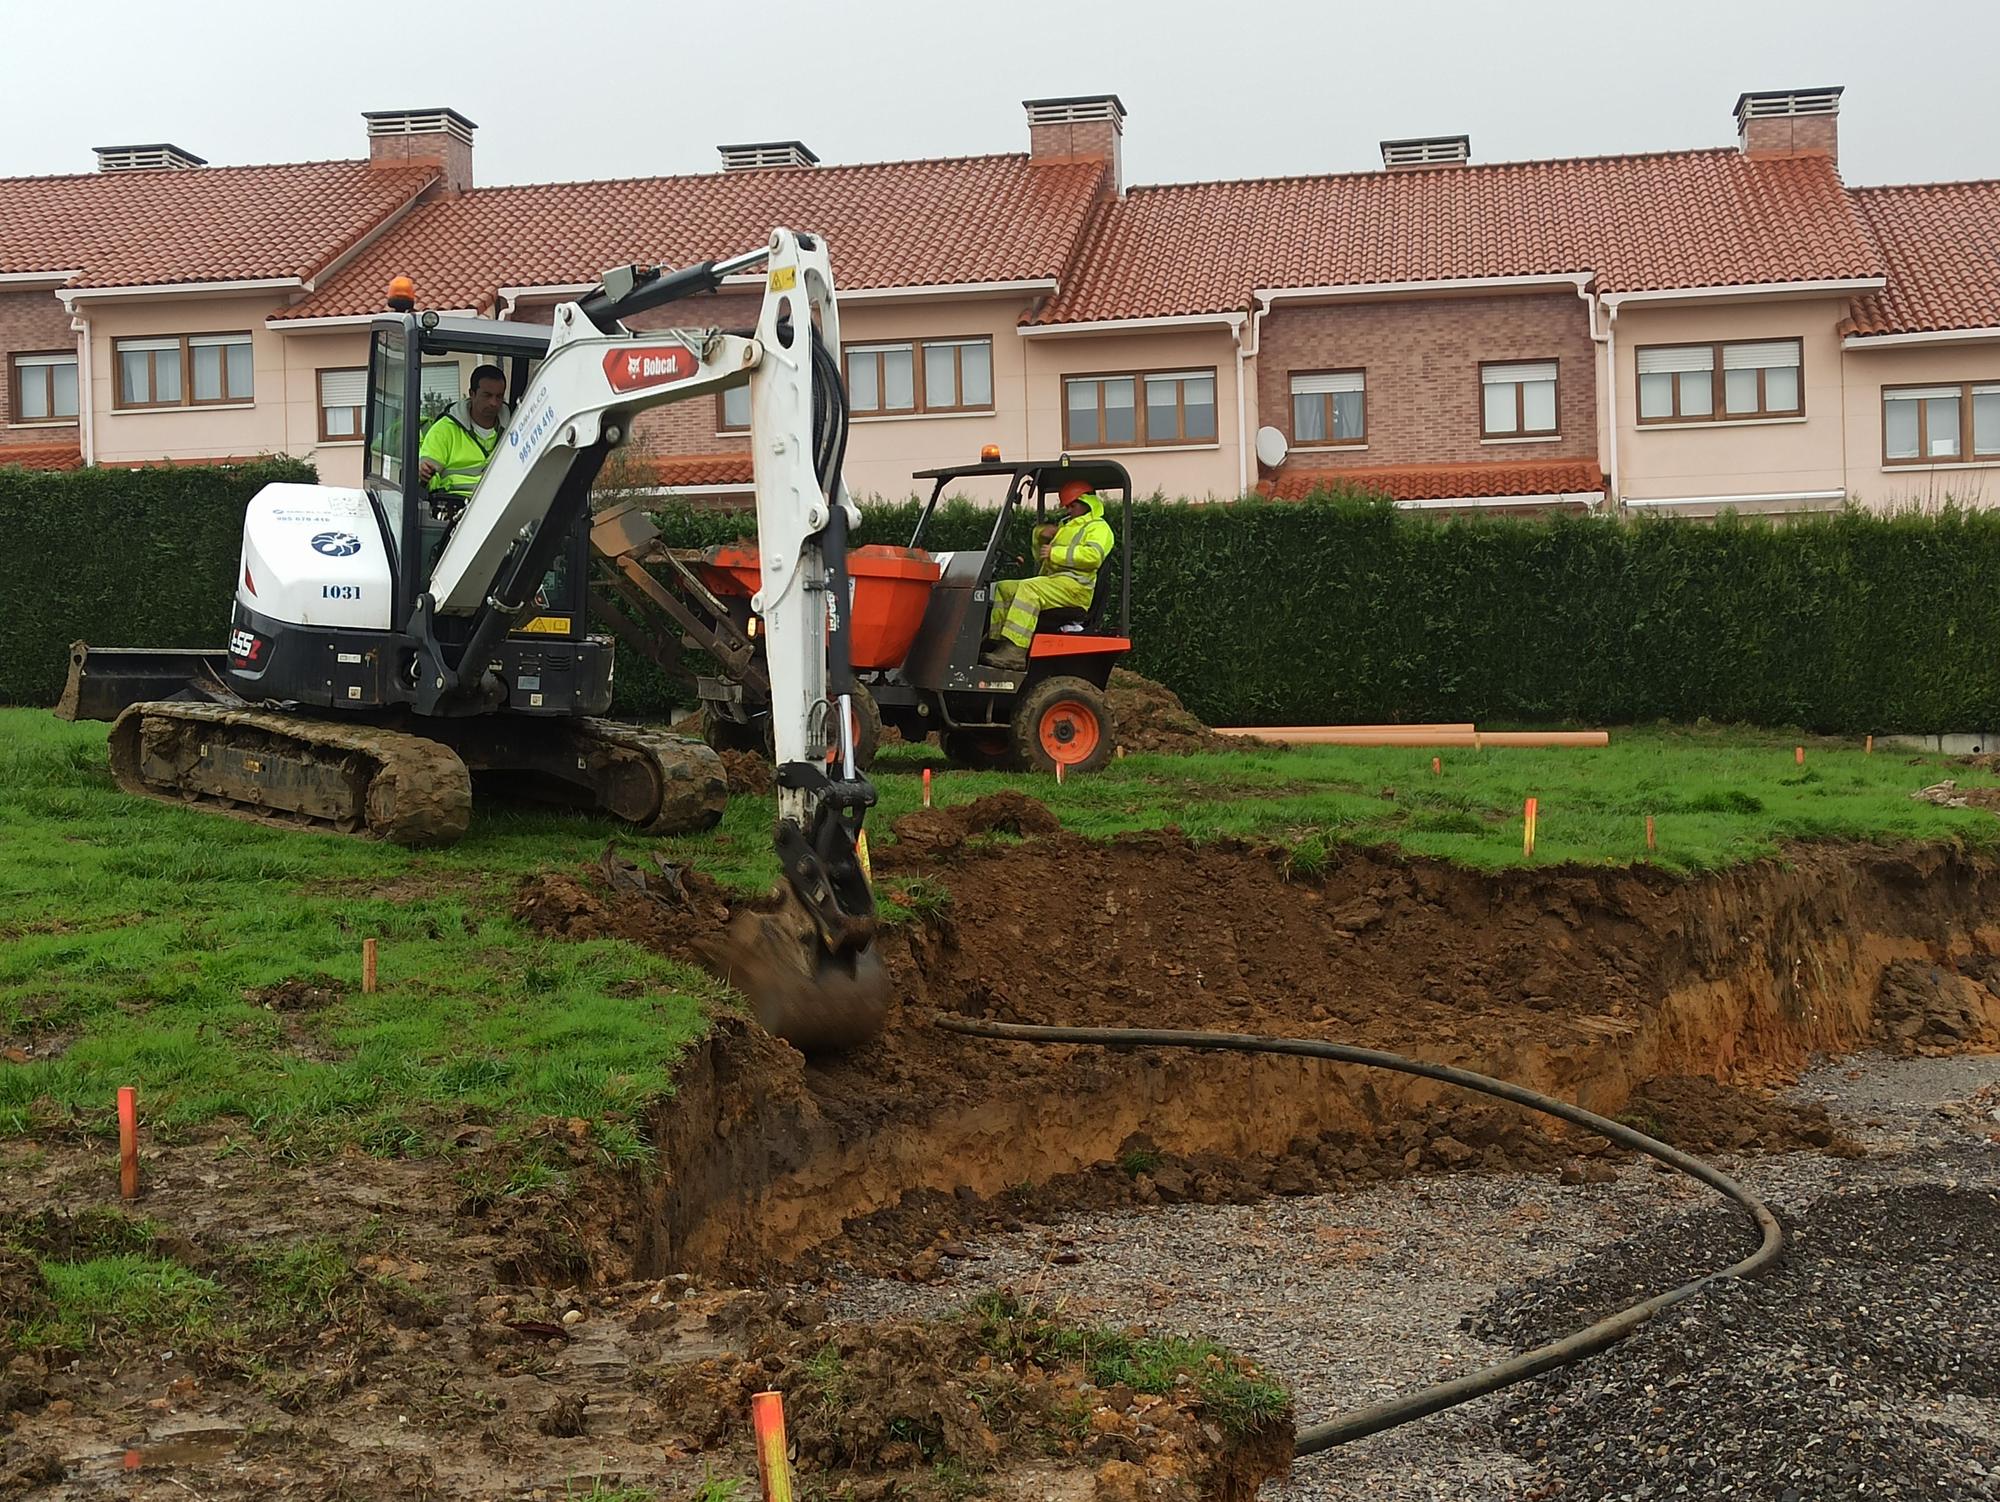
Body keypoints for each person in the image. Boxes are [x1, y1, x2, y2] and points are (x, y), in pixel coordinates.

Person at [983, 480, 1114, 670]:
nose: (1068, 509)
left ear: (1087, 503)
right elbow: (1040, 557)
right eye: (1067, 506)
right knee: (1004, 588)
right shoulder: (1066, 526)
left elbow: (1093, 557)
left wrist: (1055, 553)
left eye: (1072, 505)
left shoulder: (1099, 528)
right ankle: (998, 644)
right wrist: (1040, 536)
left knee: (1029, 590)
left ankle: (1014, 652)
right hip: (1055, 583)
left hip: (1076, 588)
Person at [417, 364, 508, 508]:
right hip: (455, 507)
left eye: (499, 396)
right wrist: (423, 473)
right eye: (487, 395)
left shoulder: (516, 429)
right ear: (472, 393)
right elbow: (426, 477)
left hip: (501, 506)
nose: (494, 403)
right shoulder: (444, 430)